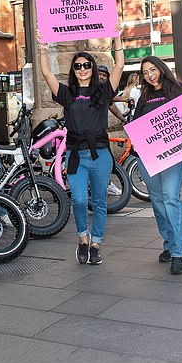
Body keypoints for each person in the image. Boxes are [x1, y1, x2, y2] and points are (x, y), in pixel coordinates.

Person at [38, 28, 124, 265]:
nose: (83, 69)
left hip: (100, 155)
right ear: (73, 70)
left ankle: (95, 244)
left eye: (87, 65)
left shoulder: (103, 92)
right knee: (77, 199)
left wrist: (117, 39)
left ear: (93, 68)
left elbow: (118, 67)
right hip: (75, 155)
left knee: (98, 202)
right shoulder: (67, 94)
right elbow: (46, 73)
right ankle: (82, 239)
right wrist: (43, 48)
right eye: (78, 66)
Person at [132, 57, 182, 275]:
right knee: (157, 201)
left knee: (170, 198)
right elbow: (137, 123)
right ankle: (169, 242)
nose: (150, 74)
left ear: (162, 69)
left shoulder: (180, 89)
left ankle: (178, 252)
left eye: (153, 69)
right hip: (148, 157)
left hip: (174, 156)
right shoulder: (144, 96)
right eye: (145, 72)